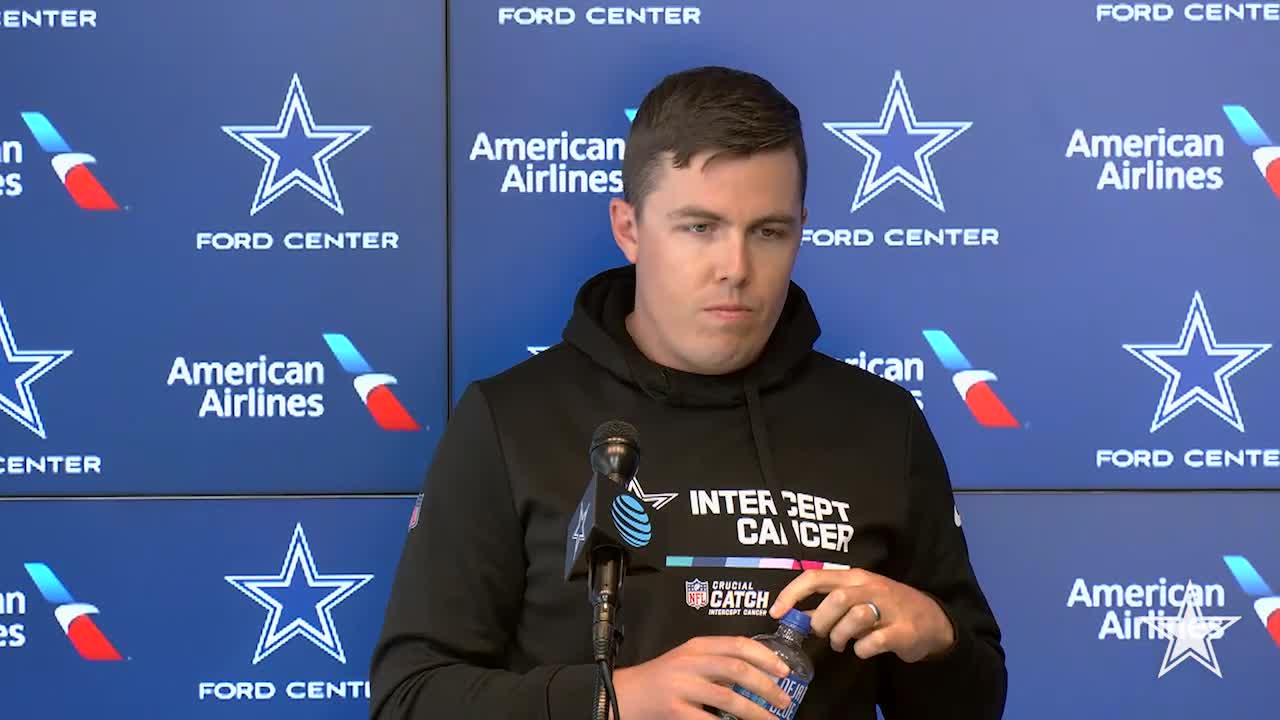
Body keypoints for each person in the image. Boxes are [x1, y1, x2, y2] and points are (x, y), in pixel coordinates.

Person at [369, 65, 1007, 720]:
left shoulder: (882, 424)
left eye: (768, 231)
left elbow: (975, 699)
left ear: (801, 229)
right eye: (699, 227)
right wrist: (618, 700)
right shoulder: (511, 420)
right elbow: (409, 699)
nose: (735, 268)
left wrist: (936, 640)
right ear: (629, 228)